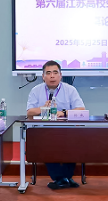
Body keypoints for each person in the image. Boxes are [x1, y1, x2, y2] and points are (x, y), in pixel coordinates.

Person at [25, 61, 86, 189]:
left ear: (60, 75)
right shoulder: (36, 90)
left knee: (74, 141)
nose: (52, 76)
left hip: (67, 131)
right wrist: (43, 108)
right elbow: (29, 112)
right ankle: (61, 178)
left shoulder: (70, 90)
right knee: (47, 142)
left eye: (55, 72)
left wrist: (63, 113)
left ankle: (66, 177)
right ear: (43, 76)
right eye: (48, 73)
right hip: (44, 132)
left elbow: (81, 109)